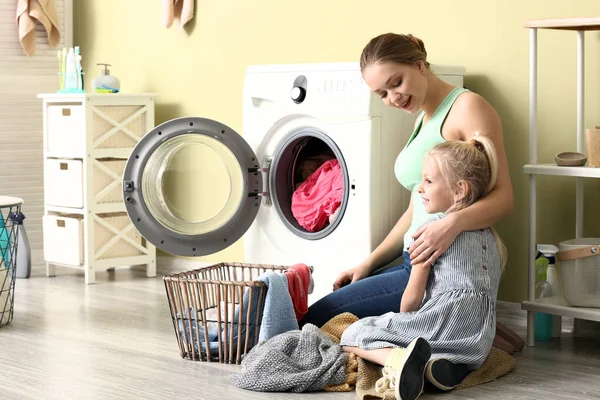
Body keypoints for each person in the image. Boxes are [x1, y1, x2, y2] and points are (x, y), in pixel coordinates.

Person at [339, 134, 507, 400]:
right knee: (448, 352)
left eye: (428, 181)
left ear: (459, 190)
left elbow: (411, 303)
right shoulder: (490, 236)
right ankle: (440, 369)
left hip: (441, 322)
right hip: (478, 342)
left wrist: (404, 317)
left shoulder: (431, 232)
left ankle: (398, 359)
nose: (419, 188)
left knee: (352, 332)